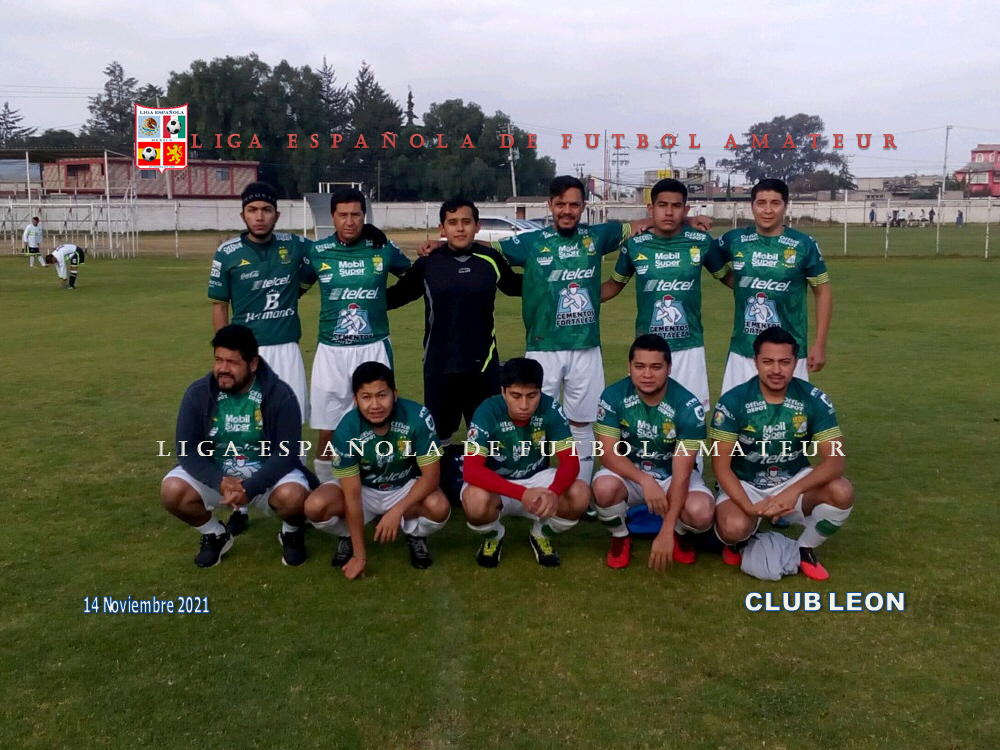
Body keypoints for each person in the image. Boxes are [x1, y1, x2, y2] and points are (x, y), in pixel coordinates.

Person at [160, 325, 318, 567]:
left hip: (267, 477)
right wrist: (219, 481)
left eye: (232, 362)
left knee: (294, 496)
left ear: (253, 364)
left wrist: (250, 487)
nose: (223, 368)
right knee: (172, 490)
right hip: (220, 475)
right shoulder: (198, 393)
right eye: (218, 360)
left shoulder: (280, 395)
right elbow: (187, 450)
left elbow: (287, 454)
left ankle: (291, 532)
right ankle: (215, 534)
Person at [208, 181, 314, 536]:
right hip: (248, 356)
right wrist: (227, 356)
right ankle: (239, 505)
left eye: (266, 210)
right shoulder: (227, 253)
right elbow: (219, 306)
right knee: (241, 428)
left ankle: (293, 512)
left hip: (286, 349)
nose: (260, 216)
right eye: (253, 210)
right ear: (243, 215)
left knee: (290, 427)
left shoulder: (294, 245)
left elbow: (327, 255)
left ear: (276, 215)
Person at [709, 326, 854, 580]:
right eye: (768, 362)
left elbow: (836, 461)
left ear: (795, 363)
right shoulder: (732, 401)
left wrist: (792, 491)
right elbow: (720, 467)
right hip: (746, 484)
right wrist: (749, 507)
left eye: (784, 362)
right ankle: (740, 541)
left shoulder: (814, 399)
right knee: (733, 527)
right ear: (756, 362)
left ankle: (805, 549)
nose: (776, 370)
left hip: (793, 480)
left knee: (842, 491)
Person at [387, 198, 522, 446]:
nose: (460, 228)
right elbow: (395, 297)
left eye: (466, 222)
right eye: (453, 222)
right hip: (439, 367)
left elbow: (516, 286)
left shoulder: (491, 259)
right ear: (442, 228)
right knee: (439, 441)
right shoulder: (428, 263)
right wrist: (359, 291)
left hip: (483, 367)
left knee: (487, 440)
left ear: (477, 226)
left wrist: (553, 277)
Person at [304, 188, 410, 486]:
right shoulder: (318, 251)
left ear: (364, 216)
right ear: (332, 217)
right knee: (328, 425)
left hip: (373, 346)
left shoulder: (382, 247)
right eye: (343, 215)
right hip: (331, 350)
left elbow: (413, 277)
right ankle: (328, 487)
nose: (349, 221)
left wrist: (385, 301)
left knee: (379, 419)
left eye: (356, 214)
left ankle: (380, 482)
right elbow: (296, 288)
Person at [304, 362, 450, 578]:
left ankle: (414, 534)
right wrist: (360, 556)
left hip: (404, 487)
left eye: (382, 395)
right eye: (366, 397)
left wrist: (396, 511)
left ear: (394, 394)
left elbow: (431, 477)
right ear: (355, 400)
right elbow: (352, 496)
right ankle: (348, 536)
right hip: (364, 489)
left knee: (439, 507)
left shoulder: (418, 416)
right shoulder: (346, 429)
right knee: (315, 506)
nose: (375, 405)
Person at [600, 178, 727, 410]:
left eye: (676, 206)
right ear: (651, 208)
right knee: (645, 418)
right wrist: (562, 295)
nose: (669, 212)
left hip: (689, 347)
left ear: (686, 209)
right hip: (648, 350)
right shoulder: (635, 244)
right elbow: (612, 286)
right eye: (662, 205)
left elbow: (728, 278)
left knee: (692, 417)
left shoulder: (702, 242)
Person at [592, 334, 715, 569]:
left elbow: (682, 475)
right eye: (640, 366)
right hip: (630, 473)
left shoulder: (688, 406)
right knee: (604, 488)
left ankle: (678, 532)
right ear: (629, 367)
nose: (647, 374)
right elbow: (607, 454)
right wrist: (645, 480)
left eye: (656, 367)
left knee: (702, 513)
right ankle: (620, 536)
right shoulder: (613, 395)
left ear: (669, 368)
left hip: (672, 476)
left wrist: (666, 531)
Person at [461, 357, 590, 568]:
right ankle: (494, 536)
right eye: (516, 396)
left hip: (537, 480)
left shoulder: (550, 408)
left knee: (580, 493)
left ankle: (540, 534)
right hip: (497, 484)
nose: (524, 405)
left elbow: (570, 462)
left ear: (540, 391)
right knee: (475, 501)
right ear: (503, 392)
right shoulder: (487, 410)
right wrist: (522, 494)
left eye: (532, 396)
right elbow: (471, 470)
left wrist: (554, 492)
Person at [713, 178, 832, 395]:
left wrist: (820, 344)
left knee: (788, 414)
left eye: (775, 203)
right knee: (738, 412)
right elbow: (706, 253)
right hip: (743, 350)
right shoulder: (735, 239)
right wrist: (735, 282)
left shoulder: (804, 244)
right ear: (752, 206)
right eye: (761, 203)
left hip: (789, 353)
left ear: (785, 206)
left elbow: (822, 292)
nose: (768, 210)